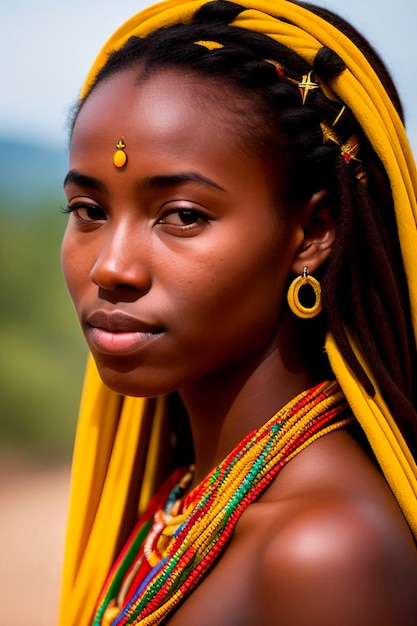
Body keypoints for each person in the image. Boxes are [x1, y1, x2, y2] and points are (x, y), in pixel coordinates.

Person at [58, 1, 417, 624]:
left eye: (183, 215)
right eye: (89, 210)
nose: (111, 267)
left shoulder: (326, 552)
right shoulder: (181, 503)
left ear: (312, 233)